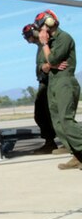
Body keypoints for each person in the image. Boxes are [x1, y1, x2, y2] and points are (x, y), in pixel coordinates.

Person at [34, 10, 82, 171]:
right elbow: (42, 66)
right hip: (52, 84)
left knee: (66, 120)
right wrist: (48, 65)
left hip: (65, 82)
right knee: (58, 123)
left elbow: (53, 59)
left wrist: (45, 46)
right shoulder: (49, 43)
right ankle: (77, 155)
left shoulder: (63, 38)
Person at [23, 23, 59, 154]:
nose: (27, 39)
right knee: (41, 114)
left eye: (28, 35)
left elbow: (53, 60)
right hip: (43, 83)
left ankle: (66, 143)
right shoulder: (40, 47)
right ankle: (50, 142)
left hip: (50, 83)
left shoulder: (47, 44)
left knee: (56, 114)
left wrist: (46, 66)